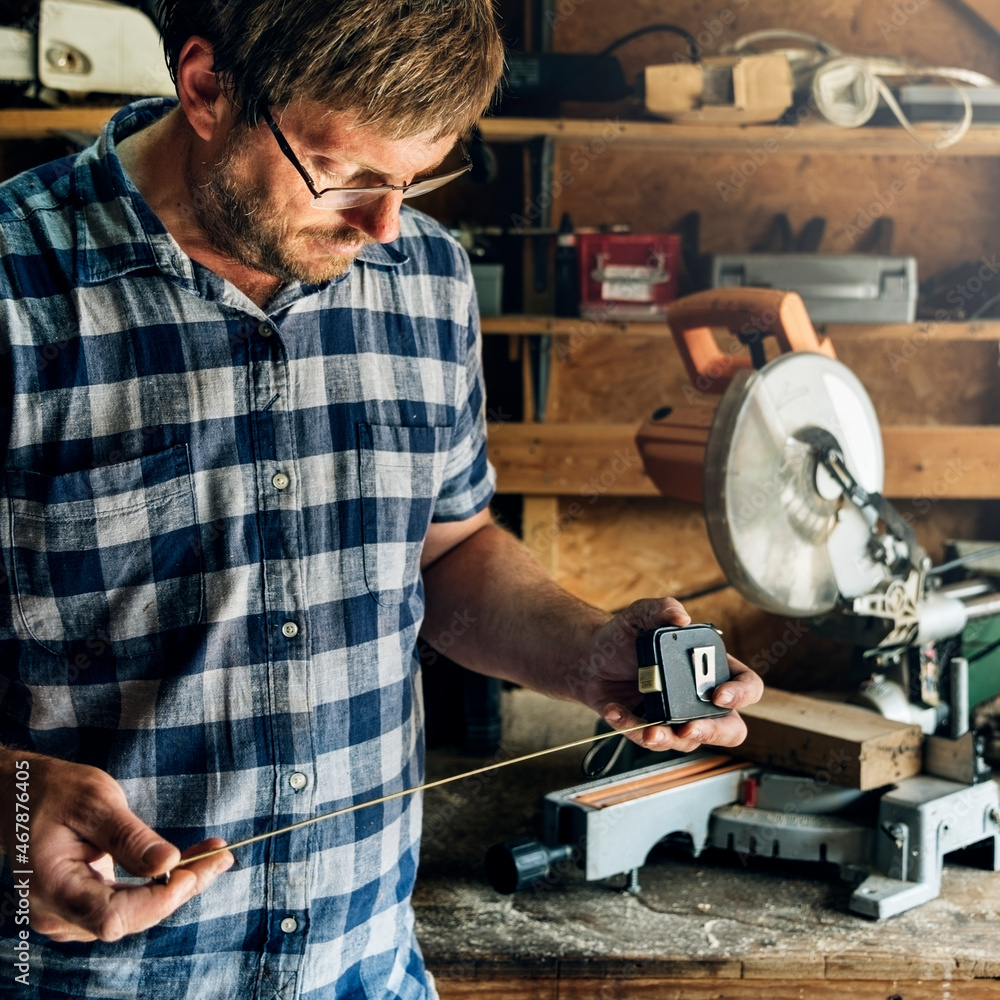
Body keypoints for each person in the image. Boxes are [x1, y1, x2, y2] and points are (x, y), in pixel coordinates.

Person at [0, 1, 764, 996]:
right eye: (347, 172)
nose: (383, 224)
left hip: (362, 966)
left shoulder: (425, 277)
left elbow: (445, 550)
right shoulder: (19, 282)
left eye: (416, 177)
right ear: (205, 89)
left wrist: (585, 652)